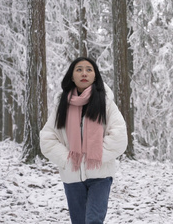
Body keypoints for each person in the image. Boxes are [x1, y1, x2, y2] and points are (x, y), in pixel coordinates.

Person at [40, 57, 128, 224]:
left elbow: (119, 136)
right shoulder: (62, 105)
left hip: (100, 175)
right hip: (71, 177)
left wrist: (94, 155)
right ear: (72, 76)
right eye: (79, 69)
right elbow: (47, 138)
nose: (84, 73)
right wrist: (67, 159)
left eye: (89, 69)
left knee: (94, 220)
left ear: (95, 76)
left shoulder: (106, 103)